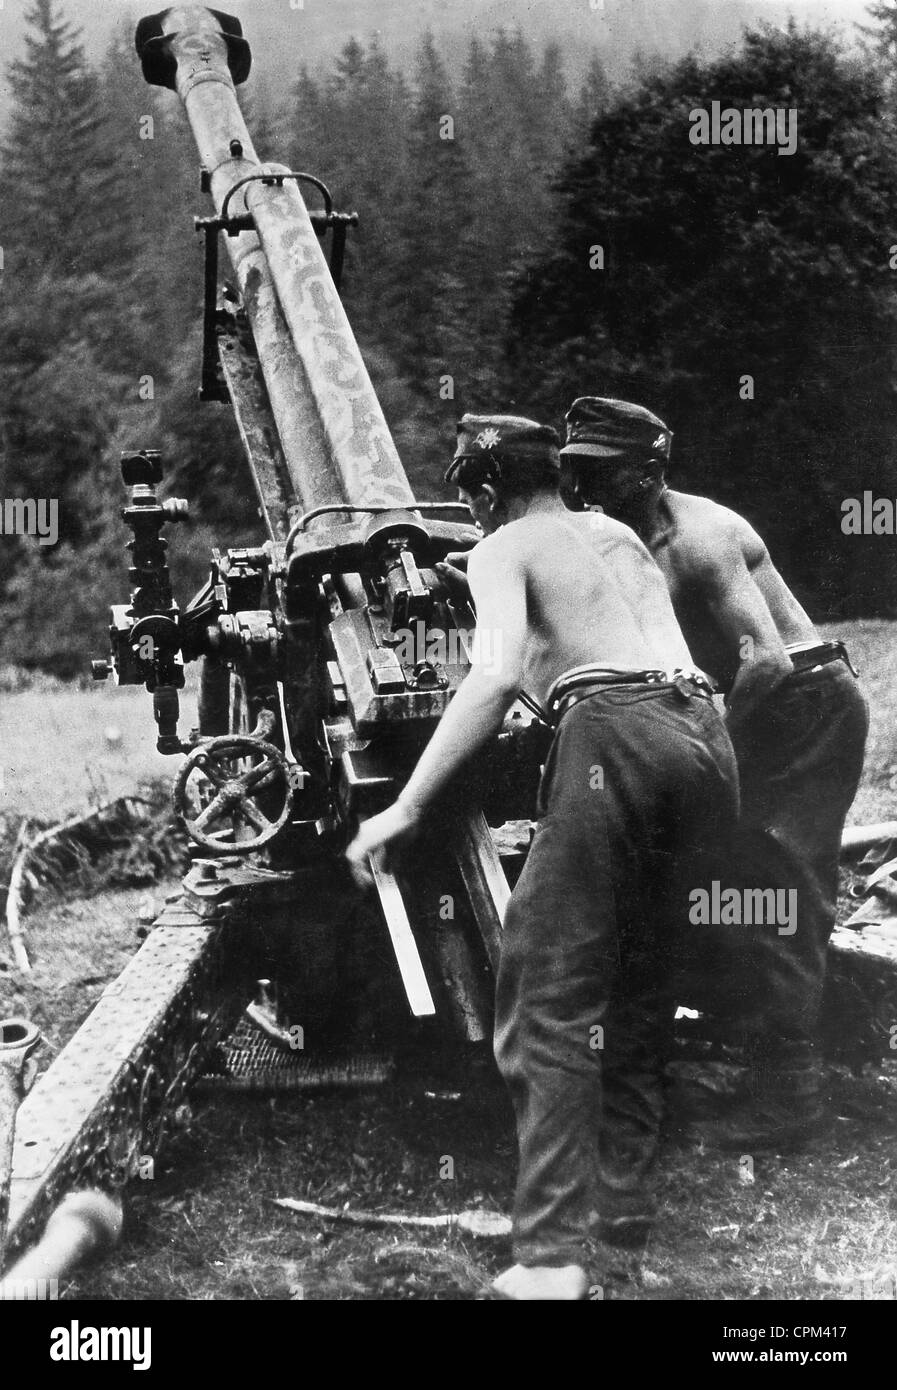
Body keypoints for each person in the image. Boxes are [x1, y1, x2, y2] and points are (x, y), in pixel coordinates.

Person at [346, 413, 739, 1299]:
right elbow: (588, 631)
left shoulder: (501, 547)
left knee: (546, 997)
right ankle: (618, 1218)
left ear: (483, 489)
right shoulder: (616, 533)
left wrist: (406, 808)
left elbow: (492, 675)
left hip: (616, 739)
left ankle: (552, 1259)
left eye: (470, 498)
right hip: (704, 739)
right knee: (637, 988)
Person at [558, 396, 869, 1149]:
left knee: (774, 887)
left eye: (606, 474)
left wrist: (706, 759)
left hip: (801, 708)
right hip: (746, 709)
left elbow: (759, 660)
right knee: (685, 877)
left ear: (653, 471)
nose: (588, 490)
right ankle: (663, 1061)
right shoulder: (614, 539)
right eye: (576, 473)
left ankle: (787, 1098)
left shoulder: (701, 535)